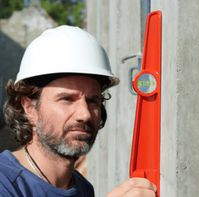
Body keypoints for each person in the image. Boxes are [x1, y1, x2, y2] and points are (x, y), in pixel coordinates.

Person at [0, 25, 156, 196]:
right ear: (29, 108)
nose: (85, 114)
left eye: (93, 100)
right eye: (67, 99)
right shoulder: (5, 182)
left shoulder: (82, 188)